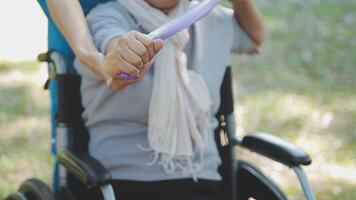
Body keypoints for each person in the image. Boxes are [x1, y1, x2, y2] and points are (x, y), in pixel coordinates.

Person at [56, 0, 264, 199]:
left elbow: (255, 39)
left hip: (201, 179)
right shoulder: (107, 17)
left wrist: (241, 2)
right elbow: (113, 49)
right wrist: (120, 58)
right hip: (121, 182)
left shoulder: (212, 19)